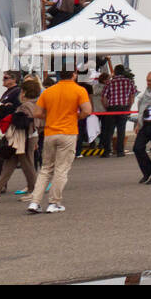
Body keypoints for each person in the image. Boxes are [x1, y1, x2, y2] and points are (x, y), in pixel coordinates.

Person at [27, 61, 91, 214]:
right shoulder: (79, 90)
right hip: (68, 132)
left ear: (59, 74)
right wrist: (77, 116)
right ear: (74, 74)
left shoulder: (49, 91)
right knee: (61, 169)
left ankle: (35, 202)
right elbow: (87, 110)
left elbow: (36, 113)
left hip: (50, 132)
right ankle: (54, 202)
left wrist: (50, 115)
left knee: (45, 169)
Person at [0, 76, 39, 202]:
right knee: (10, 164)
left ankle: (34, 190)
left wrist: (8, 110)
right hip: (27, 137)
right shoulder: (35, 104)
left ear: (24, 93)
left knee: (25, 164)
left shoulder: (26, 106)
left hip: (22, 138)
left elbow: (23, 122)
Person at [101, 65, 136, 157]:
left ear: (115, 72)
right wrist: (129, 107)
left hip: (112, 108)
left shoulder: (109, 83)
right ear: (123, 72)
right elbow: (132, 96)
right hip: (124, 108)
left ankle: (107, 151)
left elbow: (103, 97)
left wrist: (106, 107)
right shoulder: (129, 82)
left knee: (109, 131)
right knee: (121, 130)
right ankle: (120, 151)